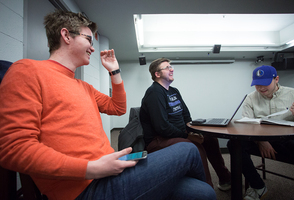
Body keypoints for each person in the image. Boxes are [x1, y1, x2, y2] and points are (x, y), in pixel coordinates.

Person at [0, 10, 216, 200]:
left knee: (203, 193)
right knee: (188, 149)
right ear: (66, 35)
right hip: (86, 188)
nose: (93, 48)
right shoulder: (27, 70)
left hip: (110, 169)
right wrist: (90, 168)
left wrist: (114, 71)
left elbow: (118, 108)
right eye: (88, 39)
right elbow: (12, 148)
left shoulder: (83, 87)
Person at [140, 57, 231, 190]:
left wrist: (192, 131)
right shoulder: (154, 93)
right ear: (157, 74)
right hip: (158, 139)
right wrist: (188, 137)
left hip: (179, 134)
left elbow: (186, 115)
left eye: (171, 66)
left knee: (210, 139)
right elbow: (162, 127)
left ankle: (225, 178)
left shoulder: (174, 91)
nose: (172, 69)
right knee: (194, 147)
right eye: (167, 67)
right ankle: (206, 190)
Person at [227, 65, 294, 200]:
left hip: (287, 140)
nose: (261, 88)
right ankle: (258, 186)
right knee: (234, 144)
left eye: (265, 83)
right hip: (260, 139)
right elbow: (247, 123)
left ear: (276, 79)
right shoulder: (250, 98)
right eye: (257, 85)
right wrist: (261, 141)